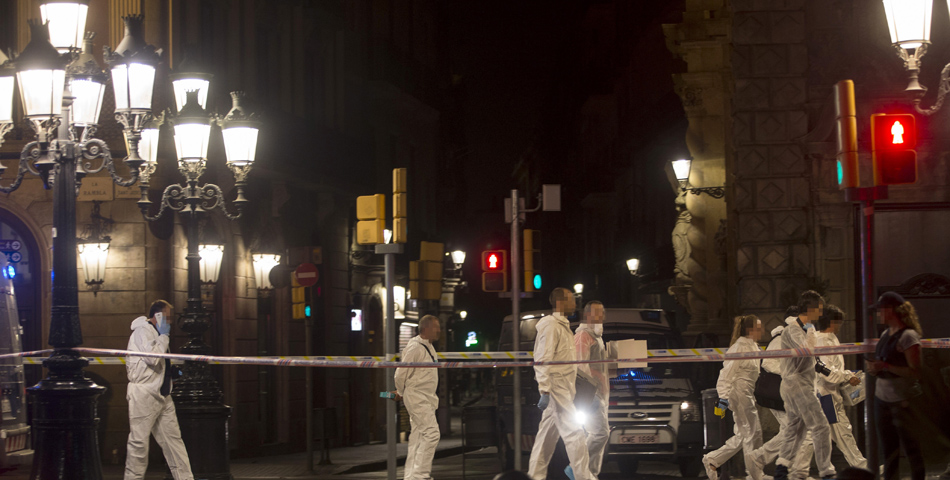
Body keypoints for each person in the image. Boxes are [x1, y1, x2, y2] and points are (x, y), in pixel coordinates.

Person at [528, 287, 595, 480]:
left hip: (562, 387)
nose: (575, 303)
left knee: (545, 438)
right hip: (557, 386)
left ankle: (535, 476)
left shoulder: (562, 326)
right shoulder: (551, 326)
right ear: (560, 302)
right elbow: (542, 359)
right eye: (571, 299)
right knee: (575, 432)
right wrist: (545, 390)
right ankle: (583, 477)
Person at [125, 300, 193, 480]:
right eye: (167, 317)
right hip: (144, 395)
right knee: (138, 444)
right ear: (158, 316)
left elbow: (159, 362)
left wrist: (171, 373)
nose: (169, 322)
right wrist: (164, 337)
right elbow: (152, 358)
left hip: (162, 394)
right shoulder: (143, 331)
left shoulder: (156, 333)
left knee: (174, 442)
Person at [795, 305, 867, 471]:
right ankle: (862, 468)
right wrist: (848, 376)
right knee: (840, 433)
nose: (841, 325)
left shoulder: (829, 338)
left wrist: (846, 375)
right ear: (833, 322)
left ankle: (796, 471)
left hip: (827, 394)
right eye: (839, 321)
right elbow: (825, 372)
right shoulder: (823, 341)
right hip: (826, 395)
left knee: (816, 435)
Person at [772, 291, 835, 480]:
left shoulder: (804, 329)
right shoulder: (794, 330)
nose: (821, 314)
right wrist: (811, 332)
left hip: (801, 383)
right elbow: (806, 351)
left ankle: (782, 467)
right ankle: (827, 471)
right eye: (819, 309)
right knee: (820, 425)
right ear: (811, 309)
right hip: (797, 383)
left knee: (796, 427)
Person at [867, 292, 925, 480]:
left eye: (880, 310)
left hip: (903, 401)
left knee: (911, 448)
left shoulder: (908, 336)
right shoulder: (885, 334)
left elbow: (915, 371)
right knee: (889, 451)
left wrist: (885, 366)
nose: (878, 314)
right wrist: (874, 368)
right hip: (882, 399)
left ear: (891, 310)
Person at [702, 315, 765, 480]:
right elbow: (726, 375)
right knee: (753, 432)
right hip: (739, 394)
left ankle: (713, 459)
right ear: (750, 330)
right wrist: (723, 399)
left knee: (743, 434)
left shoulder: (753, 346)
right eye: (759, 328)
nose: (762, 331)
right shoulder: (739, 348)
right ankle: (754, 474)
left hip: (746, 393)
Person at [751, 306, 809, 480]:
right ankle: (761, 458)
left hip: (789, 392)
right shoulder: (782, 337)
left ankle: (764, 460)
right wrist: (789, 374)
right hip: (778, 392)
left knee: (792, 431)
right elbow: (768, 363)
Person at [393, 315, 442, 480]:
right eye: (436, 327)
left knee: (418, 437)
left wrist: (401, 392)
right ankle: (420, 475)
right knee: (431, 433)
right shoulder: (415, 347)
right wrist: (400, 391)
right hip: (417, 397)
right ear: (426, 328)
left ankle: (411, 476)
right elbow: (400, 373)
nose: (439, 330)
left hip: (425, 398)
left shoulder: (428, 347)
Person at [574, 301, 609, 477]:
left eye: (602, 312)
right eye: (597, 312)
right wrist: (591, 394)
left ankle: (590, 474)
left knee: (596, 434)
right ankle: (578, 469)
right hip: (592, 394)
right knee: (600, 434)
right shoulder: (583, 335)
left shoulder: (596, 336)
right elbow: (581, 366)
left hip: (599, 392)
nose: (601, 316)